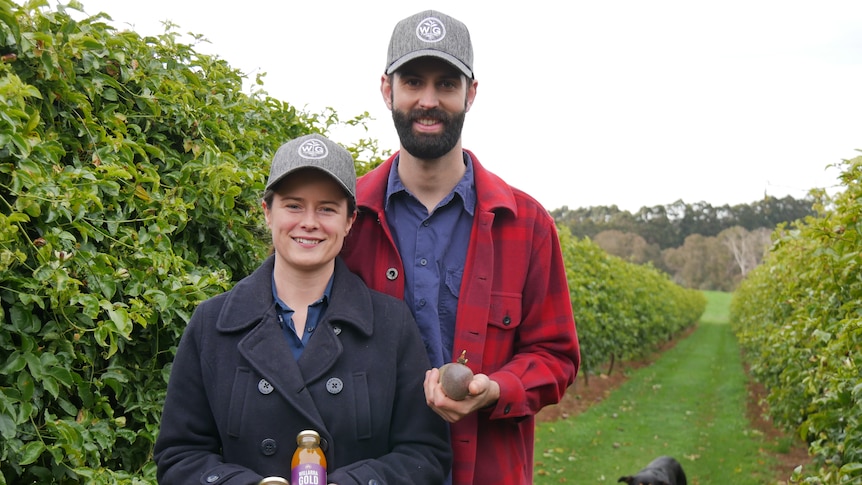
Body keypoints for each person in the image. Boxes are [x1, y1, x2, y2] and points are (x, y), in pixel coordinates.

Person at [340, 10, 581, 485]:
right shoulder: (348, 221)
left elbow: (557, 356)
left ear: (471, 93)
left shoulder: (528, 226)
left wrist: (496, 389)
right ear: (387, 90)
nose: (428, 101)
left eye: (447, 84)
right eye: (413, 82)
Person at [154, 134, 451, 485]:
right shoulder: (212, 324)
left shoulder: (391, 324)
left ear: (349, 221)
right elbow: (179, 456)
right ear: (267, 212)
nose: (309, 222)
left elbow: (425, 454)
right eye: (293, 205)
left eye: (327, 208)